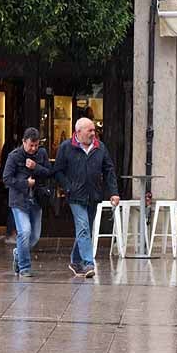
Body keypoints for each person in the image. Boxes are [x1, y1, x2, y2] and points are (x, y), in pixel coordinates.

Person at [53, 117, 120, 278]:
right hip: (75, 196)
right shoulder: (66, 147)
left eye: (93, 130)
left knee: (86, 229)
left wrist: (114, 192)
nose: (93, 133)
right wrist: (68, 187)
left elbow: (109, 170)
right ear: (78, 132)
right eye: (89, 130)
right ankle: (89, 263)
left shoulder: (100, 147)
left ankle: (75, 261)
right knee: (83, 227)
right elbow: (58, 171)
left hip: (93, 195)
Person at [3, 127, 51, 278]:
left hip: (36, 200)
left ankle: (18, 252)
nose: (33, 148)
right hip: (19, 200)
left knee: (35, 236)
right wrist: (24, 183)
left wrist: (36, 167)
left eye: (36, 145)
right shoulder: (14, 156)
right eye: (31, 145)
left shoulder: (41, 153)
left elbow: (49, 172)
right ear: (24, 142)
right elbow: (6, 178)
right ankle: (24, 267)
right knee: (24, 231)